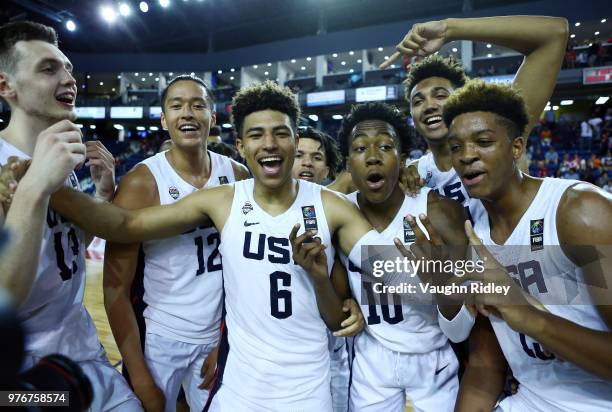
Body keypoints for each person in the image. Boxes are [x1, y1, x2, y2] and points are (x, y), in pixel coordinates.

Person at [47, 81, 389, 411]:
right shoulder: (221, 199)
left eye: (280, 133)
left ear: (295, 141)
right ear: (240, 144)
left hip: (294, 377)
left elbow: (387, 274)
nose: (269, 143)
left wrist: (360, 298)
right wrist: (42, 184)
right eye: (256, 135)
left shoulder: (326, 204)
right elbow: (124, 226)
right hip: (220, 368)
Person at [444, 79, 612, 411]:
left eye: (483, 141)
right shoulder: (474, 236)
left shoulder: (579, 211)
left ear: (517, 148)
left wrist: (528, 316)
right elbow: (484, 366)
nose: (466, 156)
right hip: (529, 401)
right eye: (455, 147)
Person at [0, 21, 142, 410]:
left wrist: (101, 194)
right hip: (22, 379)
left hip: (84, 351)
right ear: (5, 87)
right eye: (48, 69)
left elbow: (68, 246)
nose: (69, 79)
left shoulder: (62, 157)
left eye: (68, 68)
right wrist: (33, 190)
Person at [103, 74, 250, 412]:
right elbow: (114, 287)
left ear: (212, 119)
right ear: (163, 119)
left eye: (198, 105)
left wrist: (227, 340)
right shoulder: (142, 181)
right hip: (161, 340)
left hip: (219, 336)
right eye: (177, 105)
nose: (187, 113)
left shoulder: (238, 175)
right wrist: (139, 376)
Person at [337, 102, 468, 411]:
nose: (372, 156)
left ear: (404, 158)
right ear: (347, 164)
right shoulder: (337, 212)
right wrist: (347, 300)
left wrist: (444, 286)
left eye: (385, 146)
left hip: (434, 359)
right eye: (360, 149)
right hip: (371, 360)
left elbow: (462, 328)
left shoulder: (441, 211)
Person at [383, 15, 567, 223]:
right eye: (418, 101)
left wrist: (449, 29)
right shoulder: (413, 174)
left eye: (441, 95)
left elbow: (554, 35)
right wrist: (398, 178)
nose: (429, 105)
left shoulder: (499, 132)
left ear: (461, 99)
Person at [291, 125, 361, 412]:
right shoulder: (254, 204)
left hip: (328, 344)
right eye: (299, 155)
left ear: (328, 168)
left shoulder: (342, 209)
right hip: (274, 347)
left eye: (317, 157)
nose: (307, 162)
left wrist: (355, 302)